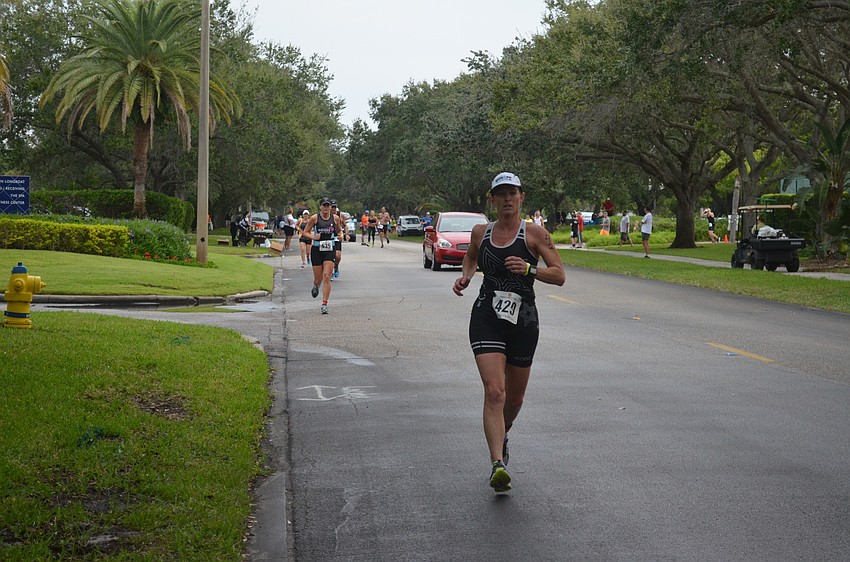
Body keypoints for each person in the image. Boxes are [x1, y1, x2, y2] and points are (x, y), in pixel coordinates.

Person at [453, 172, 566, 494]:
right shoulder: (481, 233)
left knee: (514, 399)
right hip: (487, 314)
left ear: (521, 197)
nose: (506, 199)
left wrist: (531, 269)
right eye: (500, 194)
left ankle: (504, 432)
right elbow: (471, 257)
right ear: (492, 199)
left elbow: (559, 275)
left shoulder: (534, 235)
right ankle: (497, 465)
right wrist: (466, 276)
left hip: (524, 319)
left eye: (512, 193)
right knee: (495, 392)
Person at [303, 197, 343, 314]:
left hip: (330, 249)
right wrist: (313, 237)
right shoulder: (314, 218)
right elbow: (305, 232)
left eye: (328, 205)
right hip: (317, 249)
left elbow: (339, 231)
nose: (326, 208)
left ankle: (324, 304)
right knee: (318, 279)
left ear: (331, 207)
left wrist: (340, 235)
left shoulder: (335, 218)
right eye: (324, 205)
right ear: (320, 207)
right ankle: (316, 286)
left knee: (326, 276)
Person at [331, 200, 344, 280]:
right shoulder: (325, 215)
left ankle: (336, 266)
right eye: (332, 207)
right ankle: (330, 272)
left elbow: (344, 226)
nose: (333, 208)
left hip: (336, 237)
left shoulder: (339, 215)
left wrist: (344, 234)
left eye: (335, 207)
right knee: (330, 256)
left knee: (337, 256)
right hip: (328, 238)